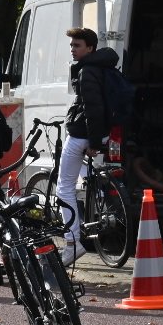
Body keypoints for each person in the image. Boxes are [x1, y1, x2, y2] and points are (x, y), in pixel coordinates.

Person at [56, 27, 122, 265]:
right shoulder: (105, 65)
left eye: (77, 45)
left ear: (90, 48)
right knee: (85, 172)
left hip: (83, 135)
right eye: (71, 45)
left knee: (64, 188)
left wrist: (92, 143)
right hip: (102, 133)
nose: (72, 50)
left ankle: (72, 243)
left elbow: (93, 109)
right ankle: (100, 193)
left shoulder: (87, 71)